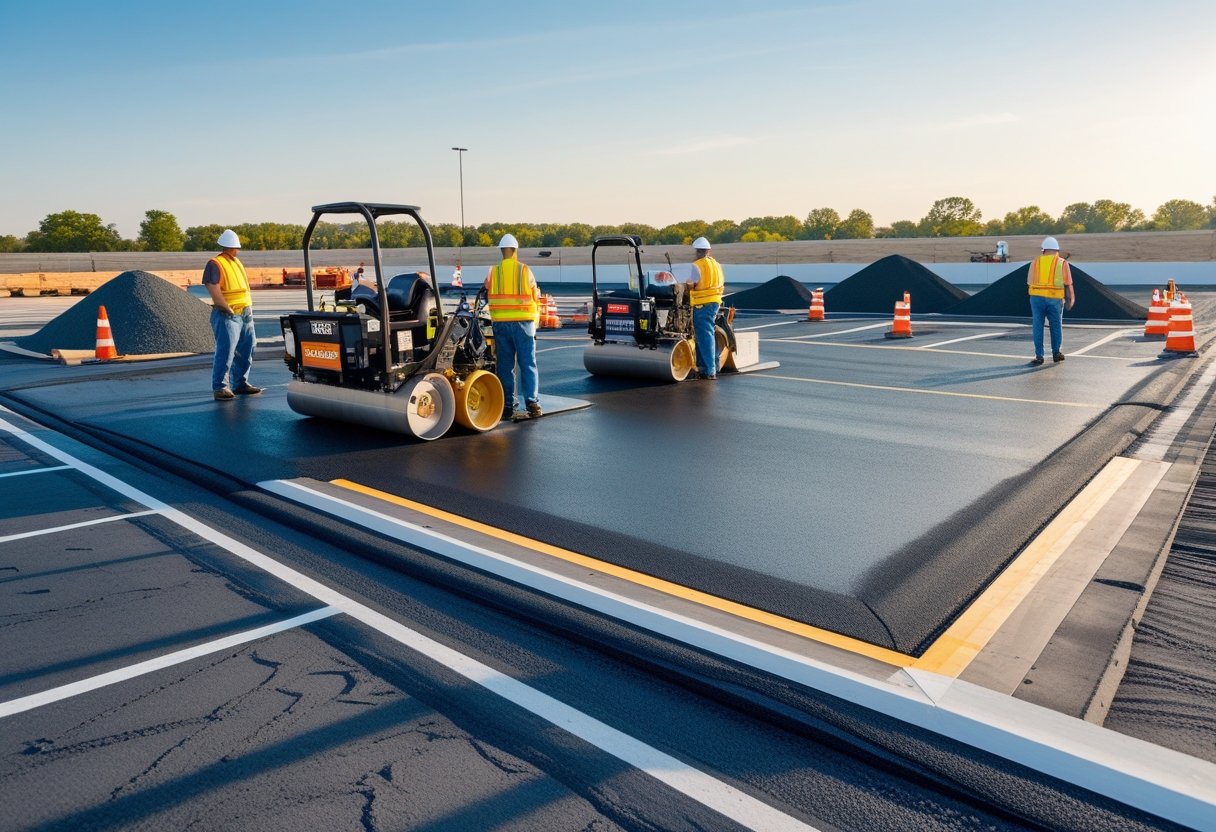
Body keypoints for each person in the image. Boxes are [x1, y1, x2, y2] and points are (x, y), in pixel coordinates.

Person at [484, 233, 541, 419]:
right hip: (524, 323)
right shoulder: (525, 270)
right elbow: (535, 296)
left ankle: (507, 405)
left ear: (501, 251)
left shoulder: (493, 271)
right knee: (528, 363)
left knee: (505, 366)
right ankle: (532, 403)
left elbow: (486, 291)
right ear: (515, 250)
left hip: (500, 324)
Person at [203, 229, 261, 400]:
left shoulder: (236, 262)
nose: (237, 250)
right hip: (228, 314)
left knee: (247, 348)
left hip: (245, 312)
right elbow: (212, 287)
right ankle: (220, 387)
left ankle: (240, 383)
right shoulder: (215, 263)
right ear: (231, 246)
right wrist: (225, 308)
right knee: (226, 351)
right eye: (236, 247)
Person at [1027, 236, 1076, 366]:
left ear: (1043, 250)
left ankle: (1039, 356)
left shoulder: (1035, 262)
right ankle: (1056, 353)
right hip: (1055, 298)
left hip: (1036, 298)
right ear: (1057, 250)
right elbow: (1068, 283)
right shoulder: (1062, 263)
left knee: (1037, 325)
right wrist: (1070, 299)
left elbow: (1030, 281)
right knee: (1055, 325)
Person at [683, 236, 725, 380]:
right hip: (715, 302)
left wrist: (686, 287)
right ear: (709, 251)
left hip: (702, 304)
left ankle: (709, 371)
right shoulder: (717, 265)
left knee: (705, 336)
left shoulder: (697, 265)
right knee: (706, 335)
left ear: (697, 251)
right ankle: (706, 367)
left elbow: (691, 284)